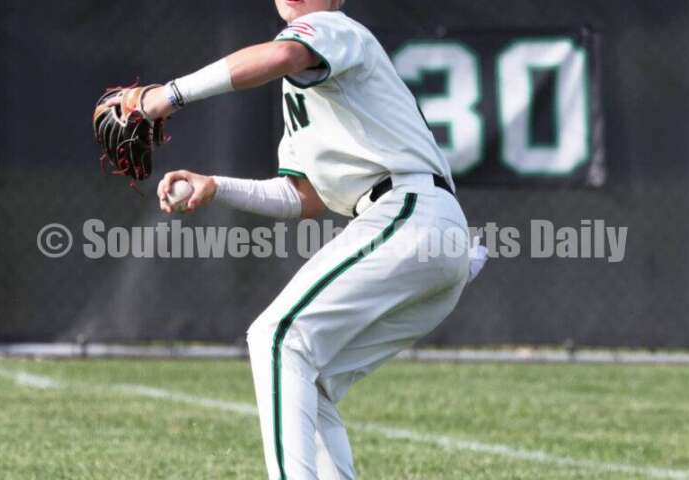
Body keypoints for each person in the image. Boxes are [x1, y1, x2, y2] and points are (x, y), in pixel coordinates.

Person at [146, 1, 486, 478]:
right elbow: (301, 196)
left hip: (409, 212)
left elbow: (282, 57)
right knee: (313, 379)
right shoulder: (309, 86)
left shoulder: (331, 28)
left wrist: (167, 95)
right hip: (428, 232)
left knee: (277, 337)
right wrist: (216, 186)